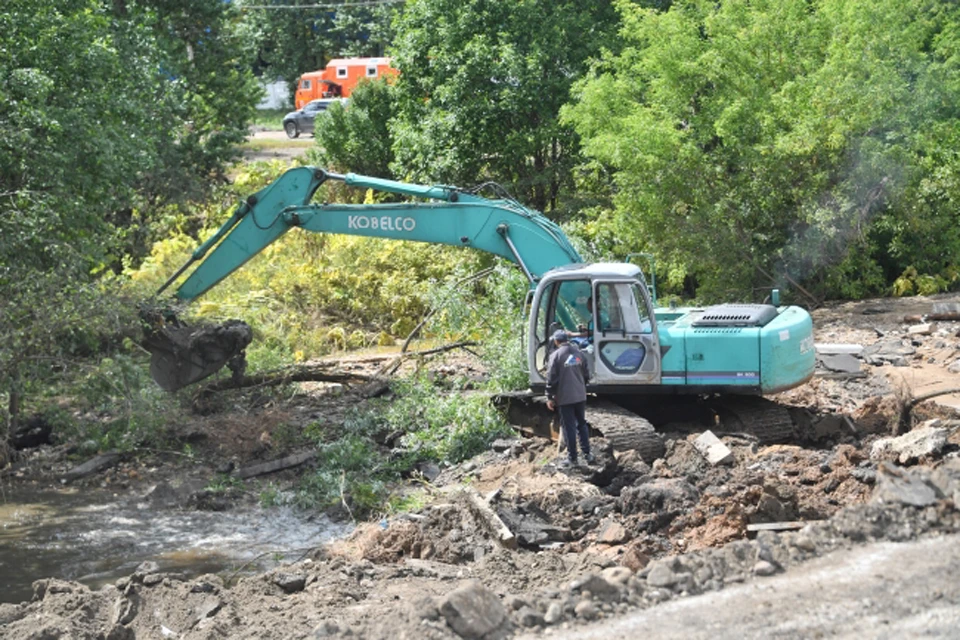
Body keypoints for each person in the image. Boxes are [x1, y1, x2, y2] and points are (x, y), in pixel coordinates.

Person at [545, 329, 593, 467]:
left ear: (556, 341)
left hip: (565, 397)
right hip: (580, 395)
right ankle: (587, 454)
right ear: (567, 339)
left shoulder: (556, 355)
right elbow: (586, 375)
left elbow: (551, 378)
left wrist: (549, 396)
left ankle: (572, 458)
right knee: (582, 424)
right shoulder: (579, 353)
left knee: (569, 427)